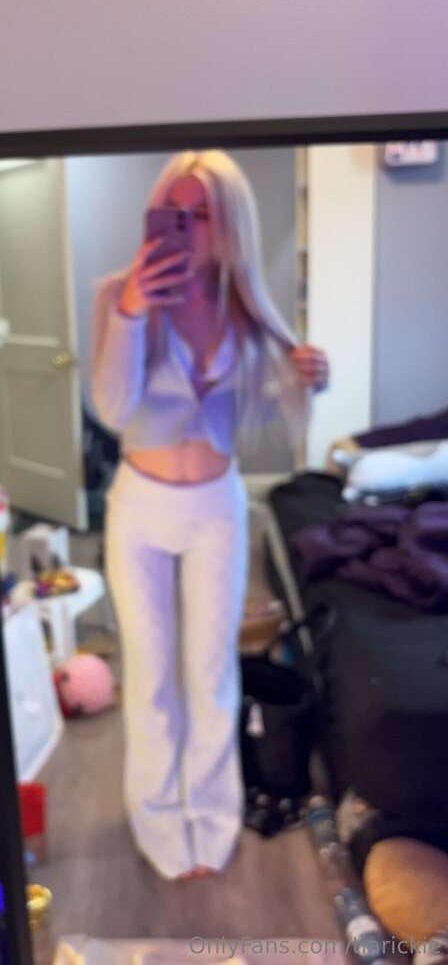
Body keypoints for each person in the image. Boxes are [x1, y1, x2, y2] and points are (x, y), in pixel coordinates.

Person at [90, 150, 329, 882]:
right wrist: (134, 312)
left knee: (212, 671)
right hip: (140, 506)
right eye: (178, 213)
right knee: (150, 674)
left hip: (218, 507)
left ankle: (214, 821)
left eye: (205, 215)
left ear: (231, 225)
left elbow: (273, 413)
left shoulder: (245, 305)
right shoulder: (118, 294)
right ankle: (161, 825)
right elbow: (113, 409)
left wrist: (308, 379)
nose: (190, 229)